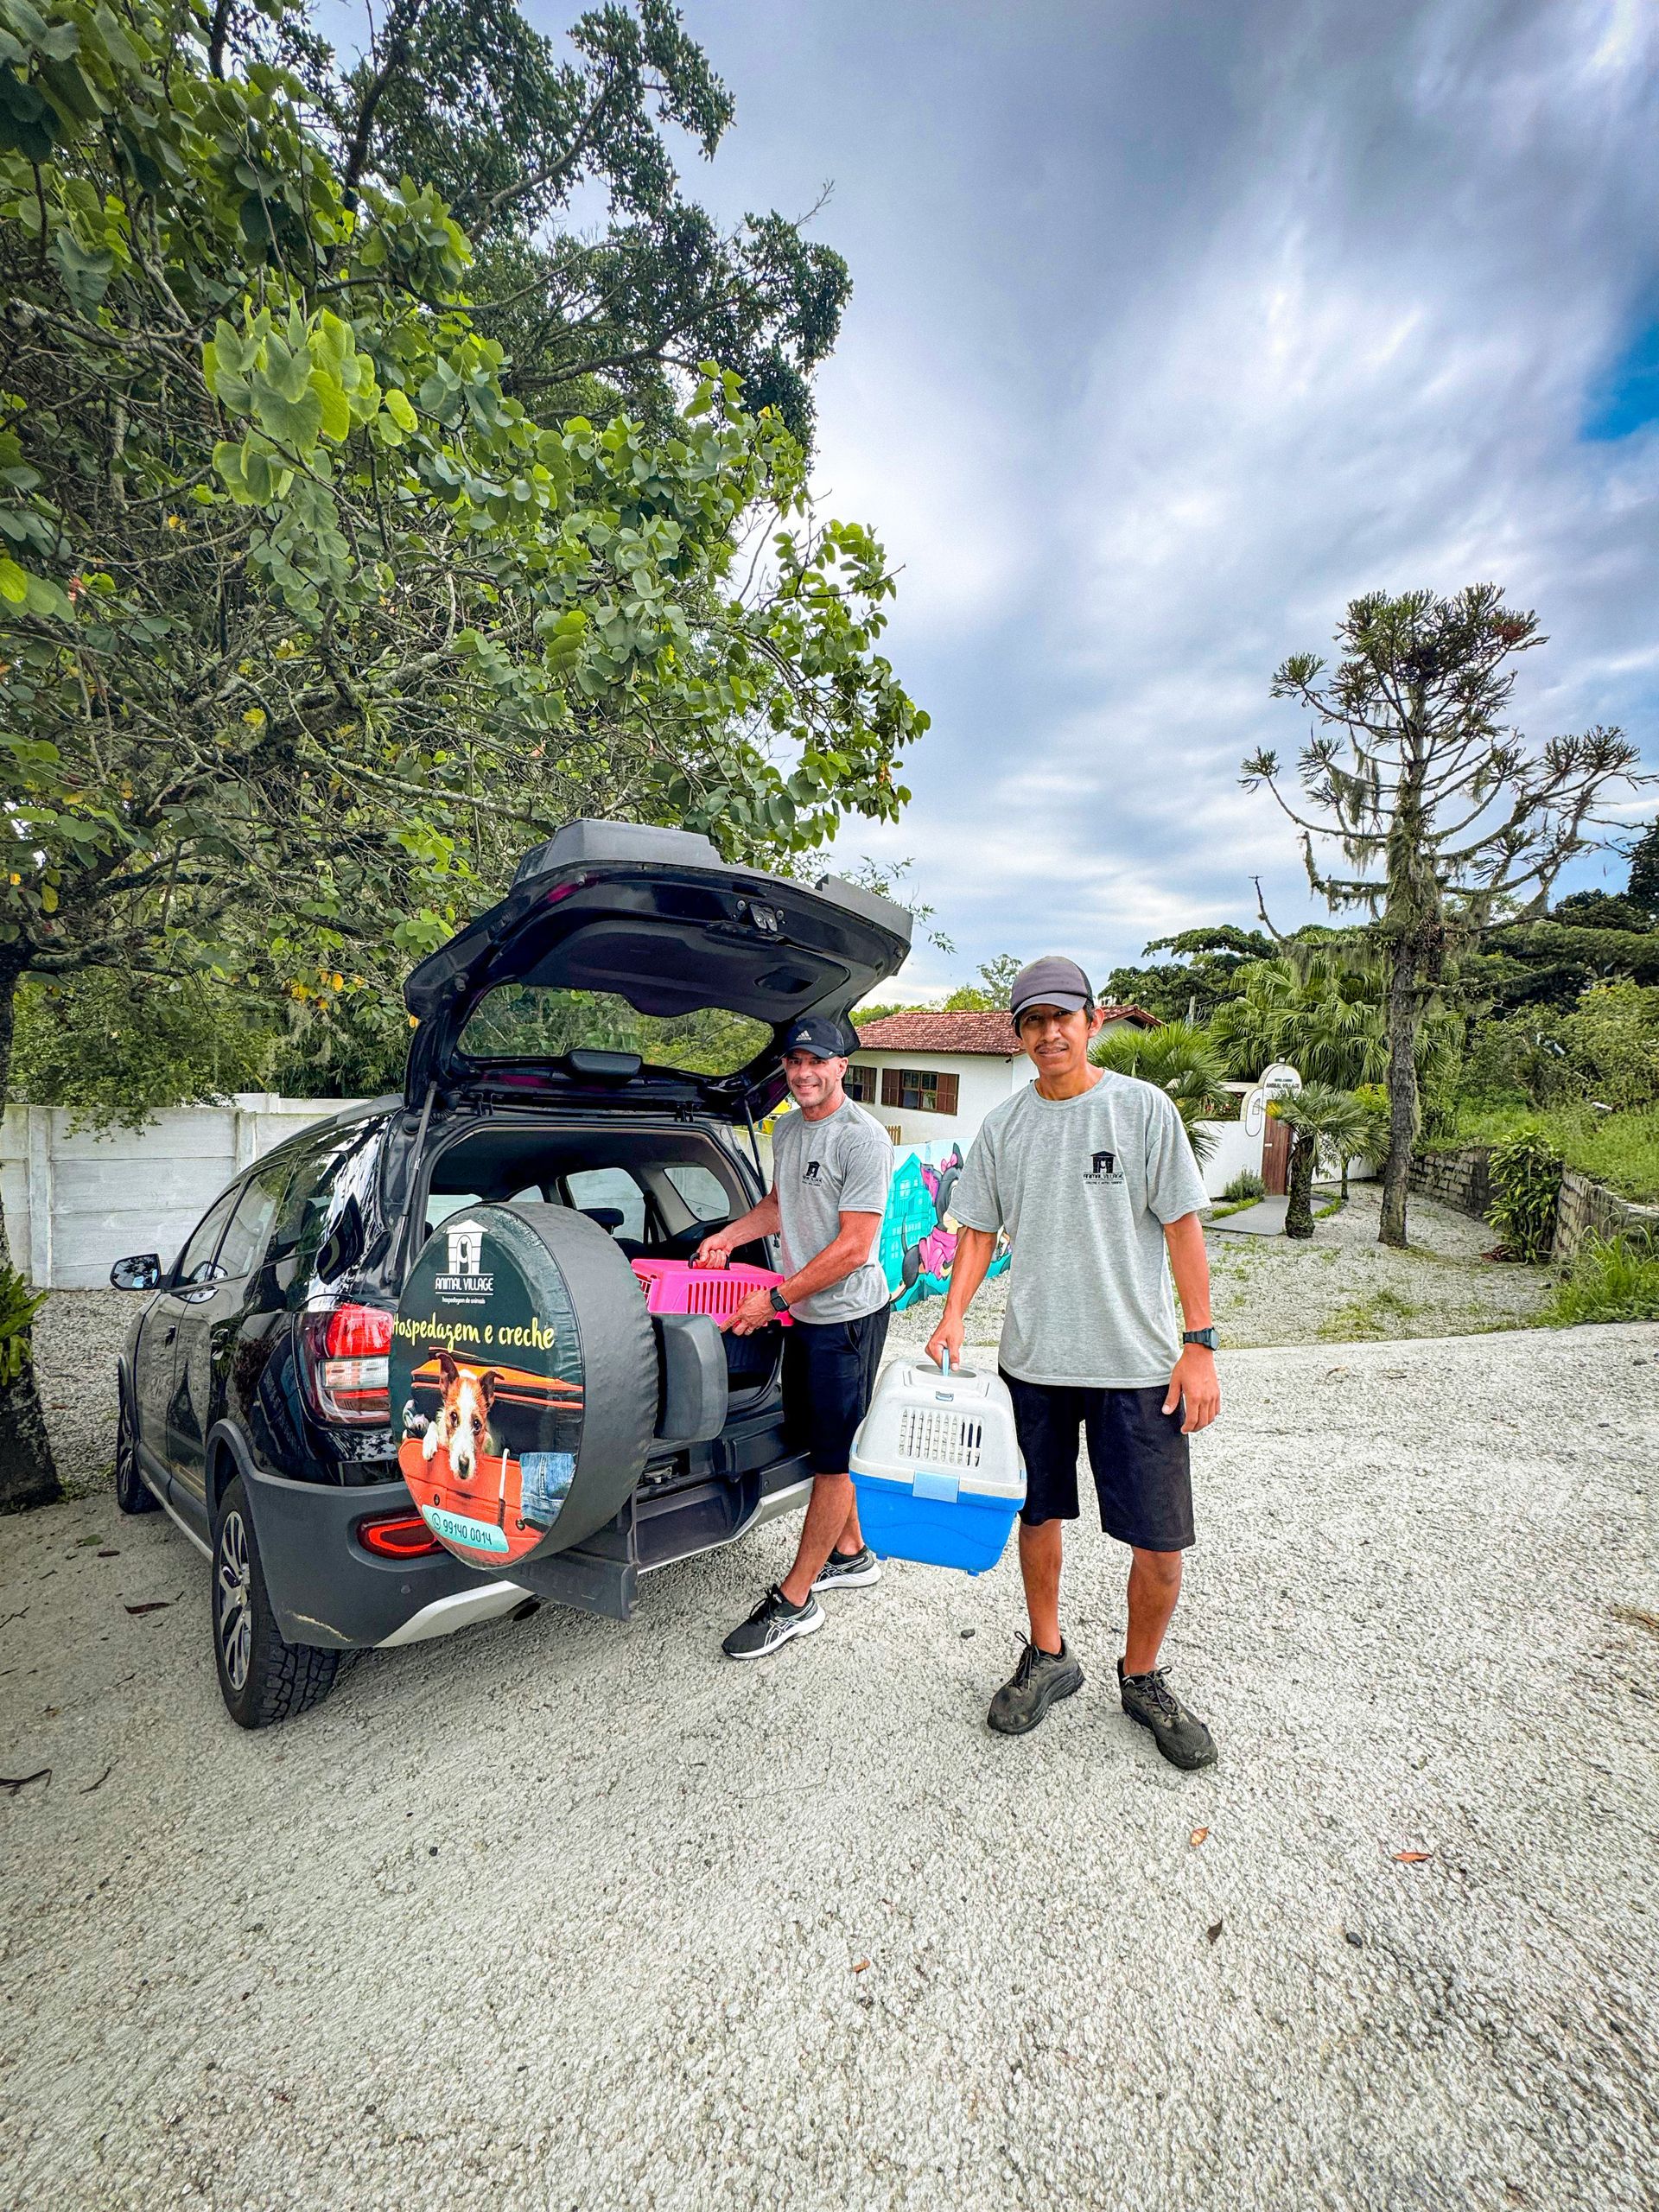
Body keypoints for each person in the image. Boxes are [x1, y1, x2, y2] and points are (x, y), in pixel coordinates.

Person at [925, 957, 1222, 1769]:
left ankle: (1144, 1676)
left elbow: (1184, 1229)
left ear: (1094, 1022)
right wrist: (953, 1316)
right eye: (1033, 1021)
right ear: (1018, 1036)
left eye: (1064, 1017)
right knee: (1038, 1515)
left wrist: (1199, 1347)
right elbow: (978, 1231)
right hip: (1036, 1365)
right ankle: (1049, 1656)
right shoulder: (1006, 1127)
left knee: (1161, 1541)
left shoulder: (1142, 1110)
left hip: (1138, 1365)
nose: (1050, 1032)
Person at [697, 1015, 895, 1660]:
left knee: (833, 1459)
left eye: (817, 1061)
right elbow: (780, 1206)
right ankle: (852, 1553)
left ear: (842, 1066)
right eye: (793, 1062)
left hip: (847, 1317)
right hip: (805, 1313)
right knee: (821, 1440)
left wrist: (775, 1298)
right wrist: (730, 1235)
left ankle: (796, 1598)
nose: (803, 1073)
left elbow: (855, 1246)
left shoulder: (862, 1140)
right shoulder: (786, 1127)